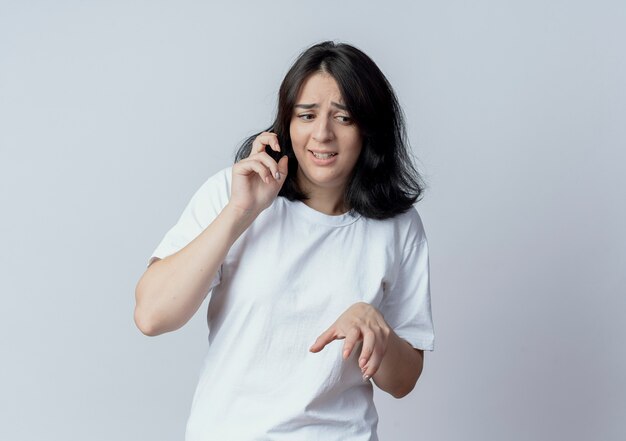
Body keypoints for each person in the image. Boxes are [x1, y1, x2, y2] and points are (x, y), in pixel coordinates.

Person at [134, 41, 434, 441]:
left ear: (368, 129)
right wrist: (240, 213)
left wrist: (376, 330)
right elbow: (152, 316)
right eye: (306, 115)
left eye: (343, 117)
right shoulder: (232, 192)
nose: (322, 134)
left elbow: (403, 380)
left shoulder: (398, 226)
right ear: (286, 122)